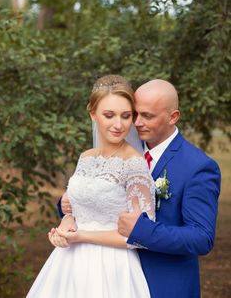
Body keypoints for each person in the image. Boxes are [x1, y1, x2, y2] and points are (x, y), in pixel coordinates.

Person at [59, 79, 221, 298]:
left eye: (148, 116)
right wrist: (67, 207)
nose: (136, 123)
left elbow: (202, 238)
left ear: (173, 117)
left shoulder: (197, 166)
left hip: (163, 284)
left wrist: (142, 231)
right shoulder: (114, 152)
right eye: (134, 114)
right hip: (106, 275)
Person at [26, 75, 155, 298]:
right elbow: (76, 209)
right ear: (93, 114)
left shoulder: (134, 165)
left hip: (113, 267)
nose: (119, 124)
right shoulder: (85, 157)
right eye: (109, 115)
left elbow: (140, 236)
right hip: (69, 263)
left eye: (126, 116)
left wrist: (82, 237)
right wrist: (65, 226)